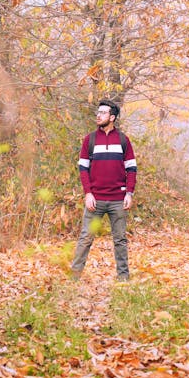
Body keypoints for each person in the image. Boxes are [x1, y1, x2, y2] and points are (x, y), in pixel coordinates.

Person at [71, 99, 137, 281]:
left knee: (120, 240)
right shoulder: (89, 140)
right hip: (96, 200)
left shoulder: (123, 140)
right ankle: (74, 278)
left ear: (112, 117)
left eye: (103, 112)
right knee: (85, 238)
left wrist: (129, 193)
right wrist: (88, 193)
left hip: (118, 200)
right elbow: (83, 169)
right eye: (98, 112)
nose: (98, 115)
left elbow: (131, 169)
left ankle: (123, 278)